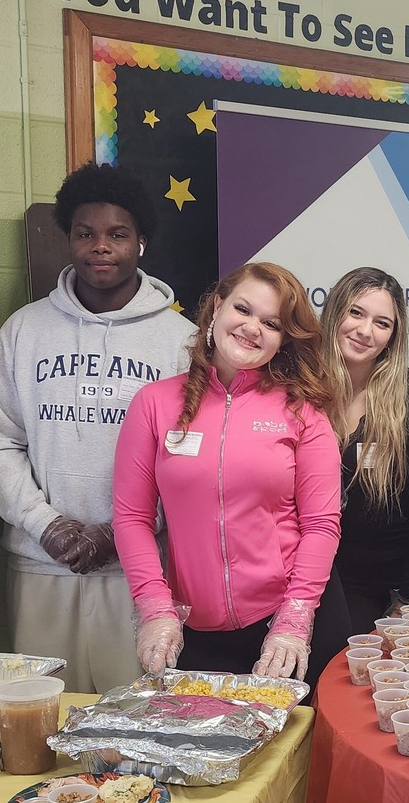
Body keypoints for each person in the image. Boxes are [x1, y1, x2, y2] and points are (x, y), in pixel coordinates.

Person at [0, 162, 196, 693]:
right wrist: (45, 524)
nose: (101, 247)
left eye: (118, 234)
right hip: (42, 562)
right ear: (67, 238)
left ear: (141, 242)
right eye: (85, 234)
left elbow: (194, 459)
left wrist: (127, 533)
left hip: (143, 571)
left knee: (136, 718)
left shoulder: (182, 343)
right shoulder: (23, 331)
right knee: (45, 717)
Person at [113, 261, 349, 687]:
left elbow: (321, 525)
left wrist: (296, 616)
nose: (252, 327)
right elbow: (131, 518)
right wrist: (154, 607)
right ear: (217, 307)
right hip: (193, 630)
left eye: (271, 322)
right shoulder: (153, 404)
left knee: (299, 751)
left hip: (289, 625)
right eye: (243, 309)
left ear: (283, 339)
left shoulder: (303, 414)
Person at [320, 267, 409, 635]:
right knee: (342, 671)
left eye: (382, 323)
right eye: (356, 313)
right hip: (346, 574)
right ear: (334, 312)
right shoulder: (306, 390)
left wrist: (408, 600)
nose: (365, 331)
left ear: (392, 336)